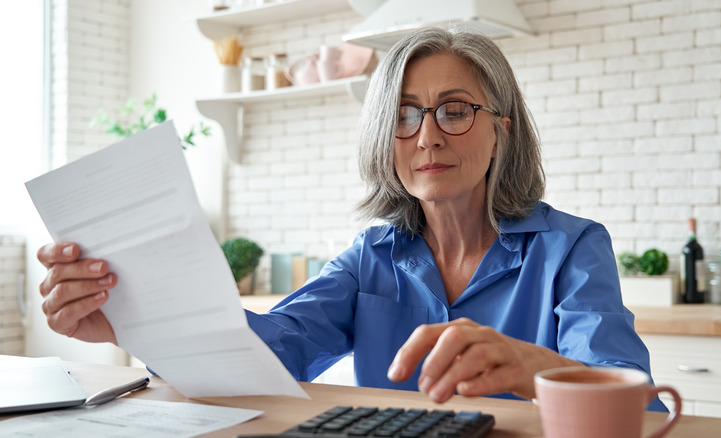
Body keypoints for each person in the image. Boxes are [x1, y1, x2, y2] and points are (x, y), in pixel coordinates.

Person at [36, 27, 667, 411]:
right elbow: (269, 353)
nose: (426, 137)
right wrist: (132, 319)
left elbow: (632, 396)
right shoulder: (372, 256)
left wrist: (532, 367)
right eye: (403, 114)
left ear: (500, 131)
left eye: (453, 110)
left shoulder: (571, 248)